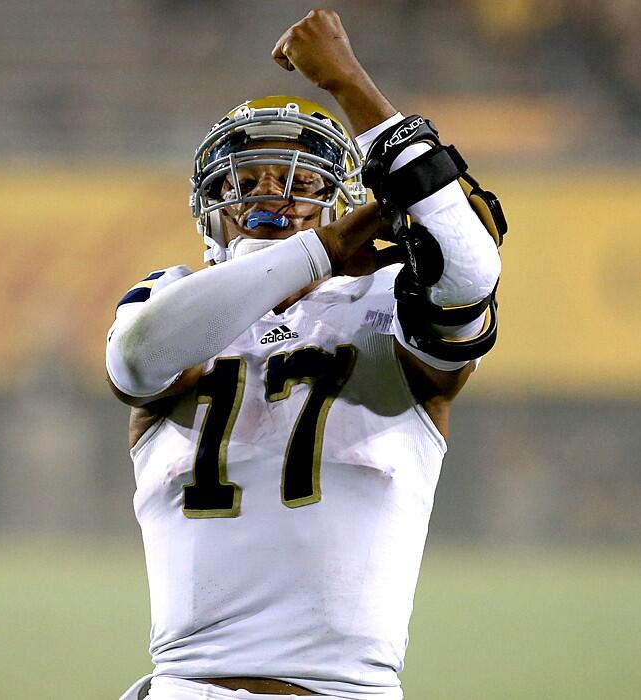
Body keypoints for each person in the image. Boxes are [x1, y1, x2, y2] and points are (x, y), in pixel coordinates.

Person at [106, 10, 506, 700]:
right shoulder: (173, 300)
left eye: (299, 179)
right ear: (212, 204)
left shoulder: (386, 305)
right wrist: (319, 251)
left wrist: (350, 86)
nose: (270, 194)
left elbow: (469, 270)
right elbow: (137, 357)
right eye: (247, 180)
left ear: (341, 196)